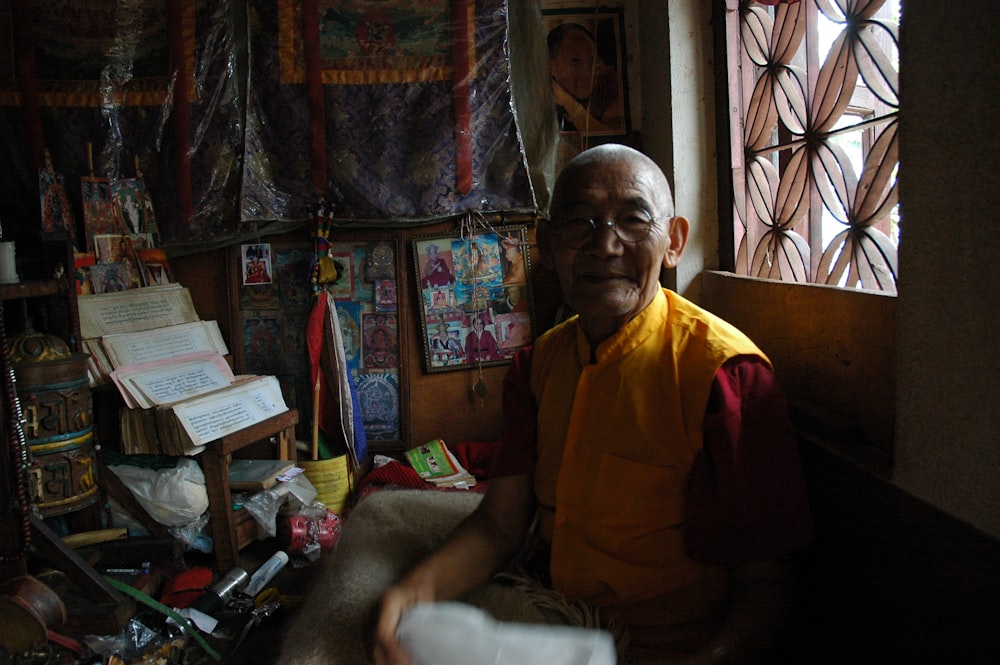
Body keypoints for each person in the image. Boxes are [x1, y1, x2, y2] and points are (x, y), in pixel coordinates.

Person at [373, 144, 813, 665]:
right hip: (546, 623)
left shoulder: (726, 375)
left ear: (673, 242)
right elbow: (499, 525)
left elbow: (763, 582)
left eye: (633, 219)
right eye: (579, 223)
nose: (604, 245)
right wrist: (407, 597)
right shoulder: (537, 367)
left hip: (666, 647)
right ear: (545, 243)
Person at [548, 22, 625, 135]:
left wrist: (569, 103)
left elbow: (612, 142)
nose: (588, 74)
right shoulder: (540, 93)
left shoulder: (608, 82)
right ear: (552, 67)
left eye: (592, 63)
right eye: (576, 64)